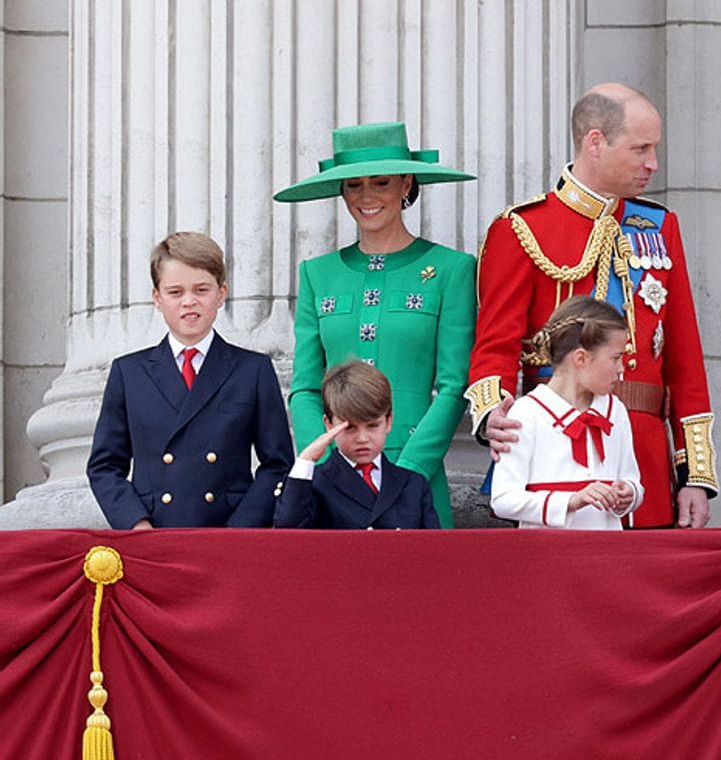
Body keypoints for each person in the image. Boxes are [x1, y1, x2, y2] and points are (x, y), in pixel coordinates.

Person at [467, 84, 715, 529]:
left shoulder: (661, 227)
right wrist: (493, 415)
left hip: (643, 464)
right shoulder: (522, 228)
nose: (652, 163)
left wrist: (694, 472)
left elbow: (685, 359)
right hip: (555, 454)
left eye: (654, 148)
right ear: (595, 142)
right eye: (641, 148)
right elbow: (495, 344)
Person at [274, 122, 477, 528]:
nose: (366, 196)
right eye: (353, 185)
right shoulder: (317, 273)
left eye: (381, 182)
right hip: (334, 482)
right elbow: (305, 386)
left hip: (416, 471)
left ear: (406, 184)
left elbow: (455, 384)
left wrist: (411, 469)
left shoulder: (452, 270)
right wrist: (332, 463)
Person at [88, 232, 294, 529]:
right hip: (154, 533)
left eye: (201, 290)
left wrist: (241, 529)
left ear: (221, 294)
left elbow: (278, 464)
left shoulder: (253, 370)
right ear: (157, 298)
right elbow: (104, 466)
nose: (189, 302)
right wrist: (136, 523)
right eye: (175, 292)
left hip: (228, 534)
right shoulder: (129, 373)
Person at [489, 297, 643, 529]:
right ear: (581, 358)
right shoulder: (527, 413)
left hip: (608, 555)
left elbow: (632, 479)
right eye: (616, 358)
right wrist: (570, 501)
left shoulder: (616, 411)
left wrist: (630, 493)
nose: (621, 369)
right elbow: (503, 499)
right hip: (548, 557)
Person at [274, 360, 441, 530]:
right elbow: (288, 531)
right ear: (329, 424)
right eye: (350, 427)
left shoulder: (413, 484)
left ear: (389, 421)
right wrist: (305, 460)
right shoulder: (316, 483)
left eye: (373, 425)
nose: (362, 438)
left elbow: (432, 549)